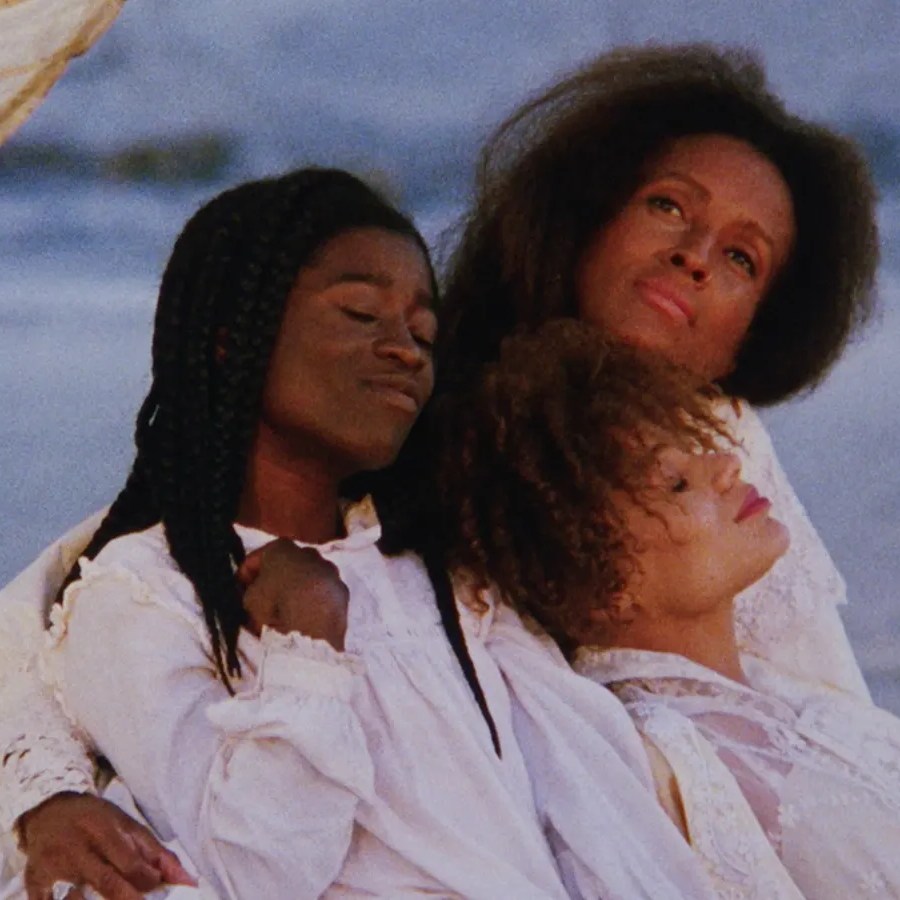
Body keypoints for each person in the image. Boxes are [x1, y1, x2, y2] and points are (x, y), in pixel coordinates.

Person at [0, 42, 879, 895]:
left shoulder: (727, 440)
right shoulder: (415, 404)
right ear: (587, 211)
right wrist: (42, 798)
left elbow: (816, 716)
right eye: (667, 206)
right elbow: (71, 598)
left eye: (741, 258)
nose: (696, 256)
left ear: (753, 331)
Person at [20, 167, 716, 900]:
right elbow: (254, 873)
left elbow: (571, 812)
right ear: (229, 339)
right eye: (360, 314)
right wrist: (305, 654)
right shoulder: (145, 592)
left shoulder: (437, 577)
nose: (406, 350)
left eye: (423, 332)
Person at [435, 317, 900, 898]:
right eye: (676, 483)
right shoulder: (657, 761)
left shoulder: (785, 693)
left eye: (698, 452)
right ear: (603, 582)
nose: (727, 465)